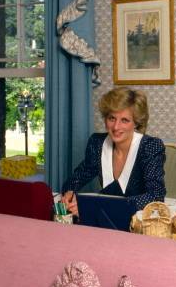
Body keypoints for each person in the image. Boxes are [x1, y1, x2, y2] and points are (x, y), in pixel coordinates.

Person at [61, 87, 166, 216]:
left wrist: (95, 205)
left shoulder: (150, 146)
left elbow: (156, 196)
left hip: (139, 223)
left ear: (136, 123)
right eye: (112, 118)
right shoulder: (97, 143)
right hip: (106, 221)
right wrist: (70, 193)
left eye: (124, 120)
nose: (116, 127)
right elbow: (75, 180)